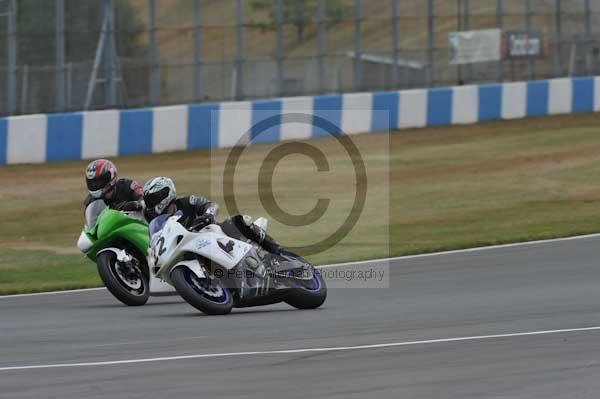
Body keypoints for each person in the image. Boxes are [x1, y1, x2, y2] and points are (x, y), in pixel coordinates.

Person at [142, 176, 283, 255]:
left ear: (166, 194)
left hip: (211, 235)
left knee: (238, 221)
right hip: (189, 249)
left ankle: (276, 249)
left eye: (153, 199)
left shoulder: (187, 201)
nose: (151, 204)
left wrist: (208, 215)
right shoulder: (157, 221)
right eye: (149, 201)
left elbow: (211, 205)